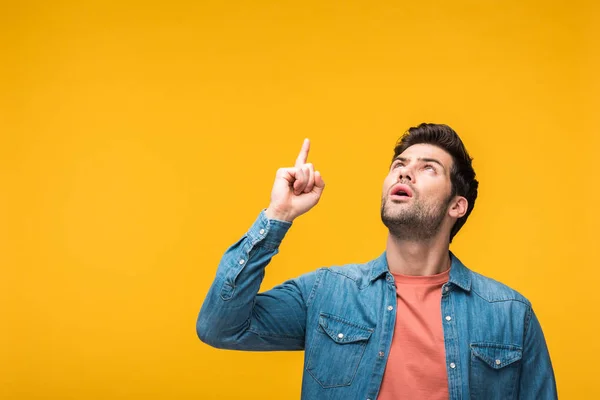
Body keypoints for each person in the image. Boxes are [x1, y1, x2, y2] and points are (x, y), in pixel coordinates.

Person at [196, 123, 557, 399]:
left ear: (456, 205)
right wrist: (278, 215)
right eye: (399, 164)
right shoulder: (327, 293)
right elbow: (220, 327)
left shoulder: (510, 315)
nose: (404, 172)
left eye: (428, 168)